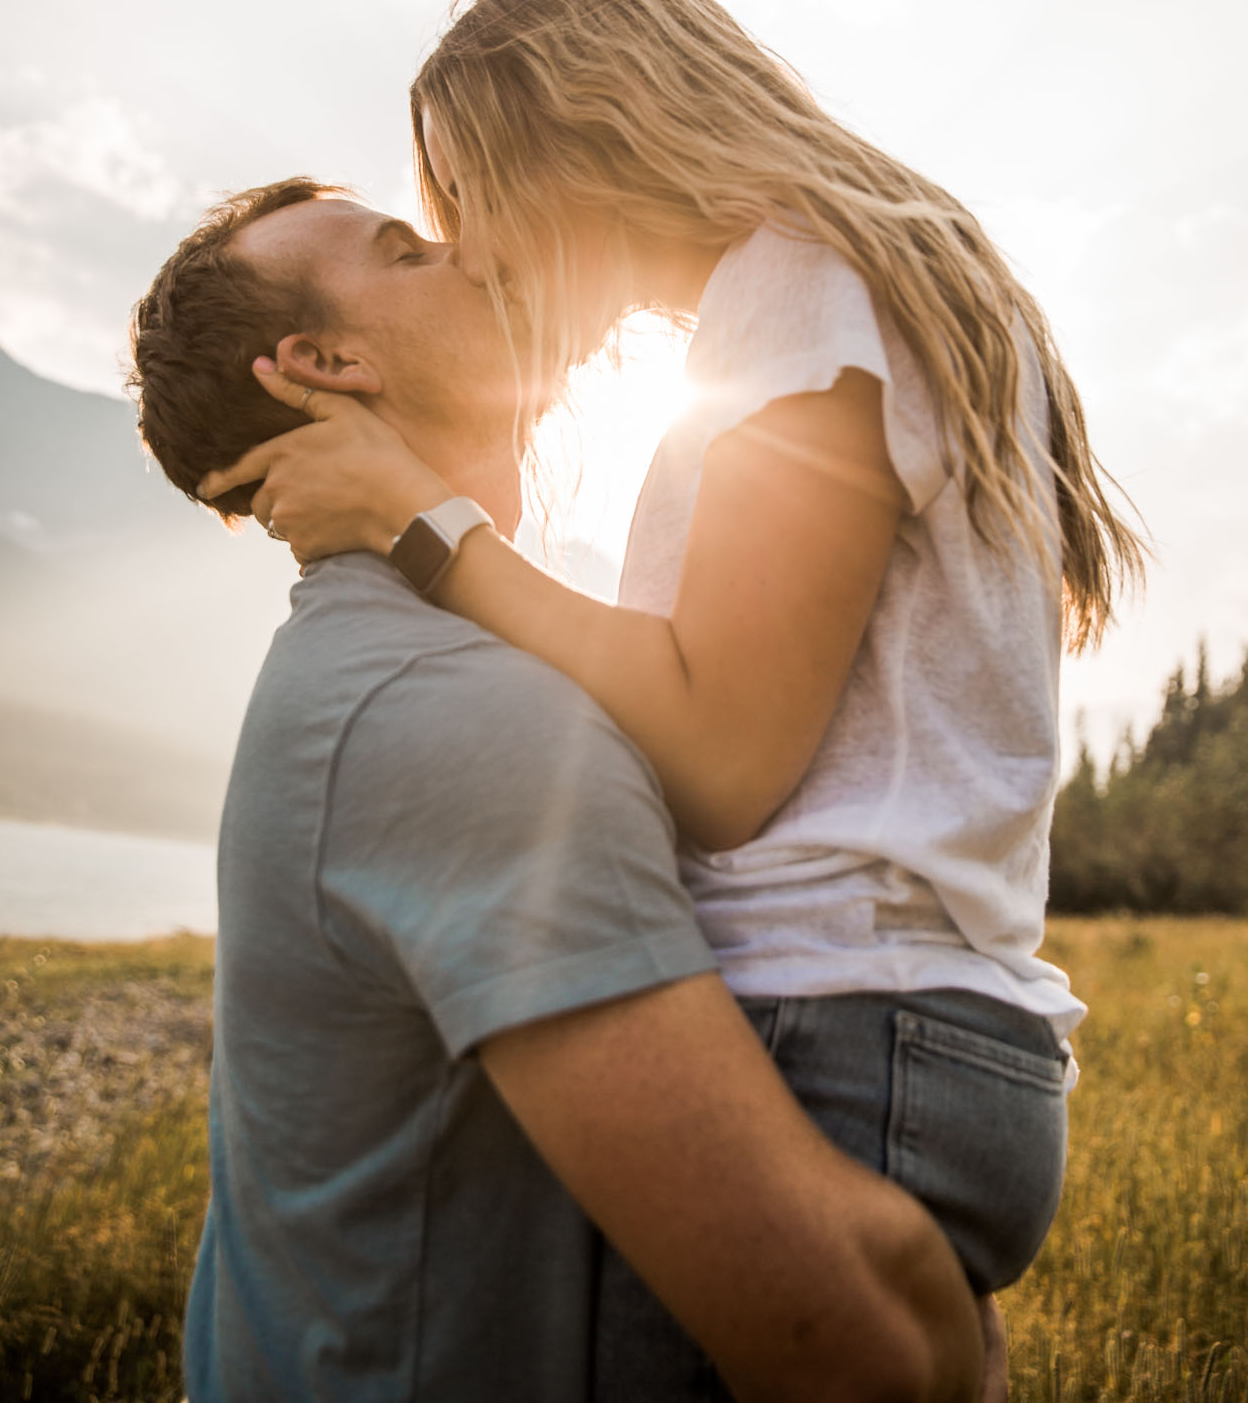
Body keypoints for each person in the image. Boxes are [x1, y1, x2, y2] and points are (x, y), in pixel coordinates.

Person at [202, 0, 1145, 1389]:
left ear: (577, 139)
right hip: (901, 1028)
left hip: (832, 1020)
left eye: (474, 201)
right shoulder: (851, 277)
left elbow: (723, 758)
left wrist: (428, 528)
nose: (488, 256)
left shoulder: (801, 290)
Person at [130, 177, 983, 1403]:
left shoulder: (396, 668)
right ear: (325, 364)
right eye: (407, 250)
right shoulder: (453, 713)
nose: (471, 251)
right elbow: (841, 1345)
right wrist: (947, 1323)